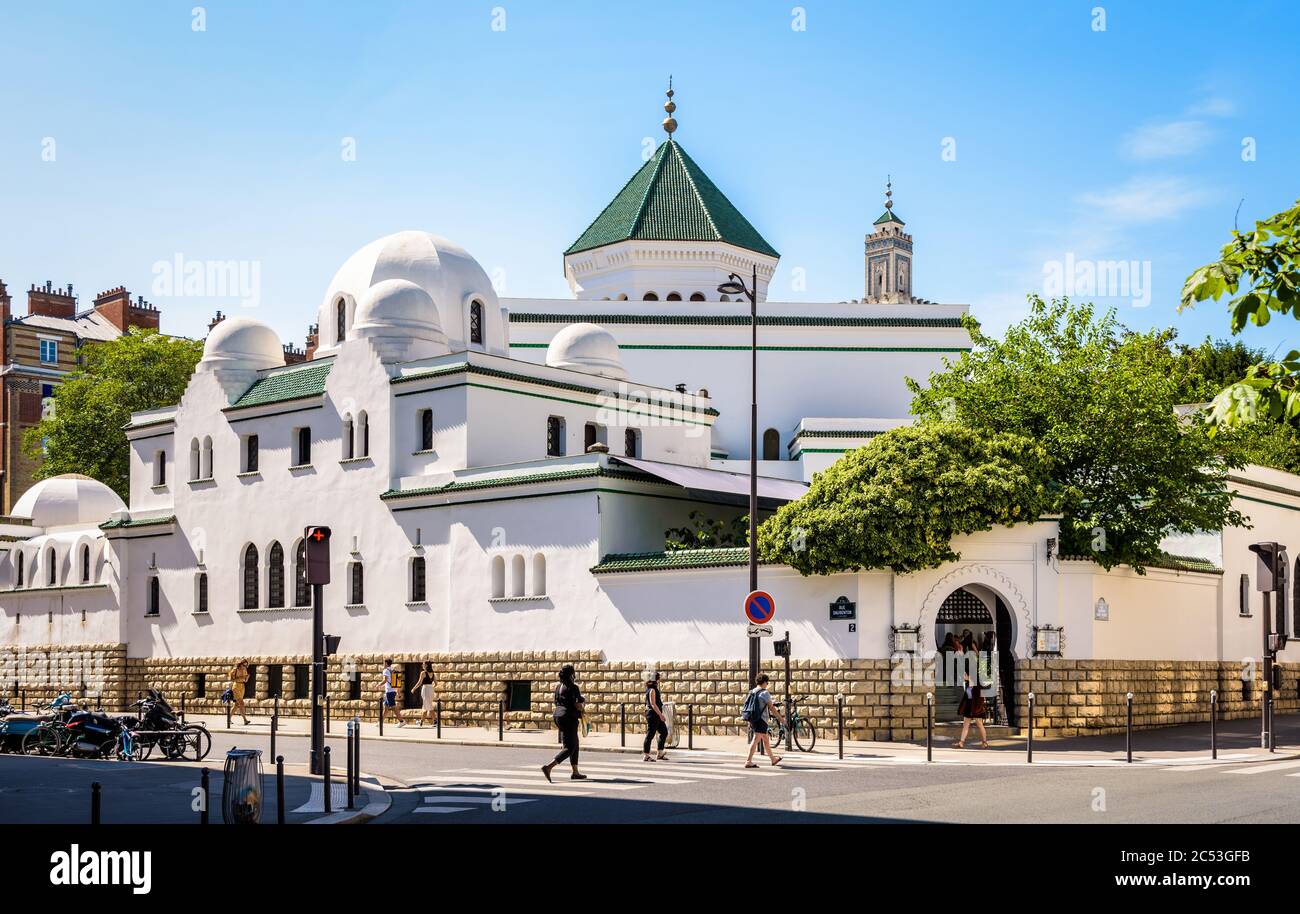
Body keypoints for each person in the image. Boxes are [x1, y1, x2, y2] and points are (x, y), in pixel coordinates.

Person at [542, 664, 586, 781]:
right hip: (568, 718)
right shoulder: (573, 687)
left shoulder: (558, 687)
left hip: (558, 716)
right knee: (569, 747)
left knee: (575, 744)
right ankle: (549, 767)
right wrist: (582, 707)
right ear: (571, 675)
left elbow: (557, 702)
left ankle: (575, 772)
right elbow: (577, 705)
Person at [742, 674, 783, 768]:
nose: (767, 684)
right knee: (756, 739)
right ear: (764, 682)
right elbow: (771, 708)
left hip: (753, 718)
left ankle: (773, 759)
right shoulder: (764, 693)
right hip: (761, 720)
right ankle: (748, 761)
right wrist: (781, 719)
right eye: (767, 683)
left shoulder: (752, 691)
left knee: (766, 740)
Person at [955, 668, 989, 749]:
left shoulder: (977, 686)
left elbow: (980, 699)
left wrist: (977, 709)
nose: (964, 676)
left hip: (976, 708)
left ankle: (984, 742)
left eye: (965, 674)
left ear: (969, 675)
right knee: (965, 725)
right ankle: (961, 742)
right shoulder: (967, 684)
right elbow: (966, 698)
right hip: (968, 708)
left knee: (980, 725)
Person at [642, 671, 669, 761]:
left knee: (664, 732)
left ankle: (660, 753)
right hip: (653, 715)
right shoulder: (652, 690)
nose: (659, 680)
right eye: (659, 678)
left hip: (655, 714)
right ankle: (646, 755)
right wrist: (661, 715)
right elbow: (653, 704)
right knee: (650, 735)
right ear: (656, 680)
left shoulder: (652, 688)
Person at [411, 662, 436, 728]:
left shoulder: (423, 673)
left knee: (427, 706)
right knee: (427, 705)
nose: (422, 665)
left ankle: (433, 721)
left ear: (426, 665)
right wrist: (431, 687)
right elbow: (436, 683)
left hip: (425, 689)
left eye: (423, 664)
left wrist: (413, 688)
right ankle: (422, 722)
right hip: (431, 689)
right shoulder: (432, 673)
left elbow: (419, 683)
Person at [381, 658, 405, 727]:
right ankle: (380, 722)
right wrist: (398, 692)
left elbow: (385, 680)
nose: (383, 664)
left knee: (393, 707)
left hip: (389, 692)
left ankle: (402, 721)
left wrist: (378, 685)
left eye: (383, 663)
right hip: (393, 691)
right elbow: (397, 682)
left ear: (386, 663)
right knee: (386, 707)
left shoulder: (386, 670)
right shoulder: (393, 670)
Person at [229, 660, 251, 726]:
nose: (245, 667)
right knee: (241, 703)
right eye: (244, 665)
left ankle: (228, 718)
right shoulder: (235, 669)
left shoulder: (245, 670)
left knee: (236, 705)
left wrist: (247, 678)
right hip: (236, 686)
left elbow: (245, 681)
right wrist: (240, 677)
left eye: (246, 665)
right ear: (240, 664)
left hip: (242, 686)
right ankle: (245, 720)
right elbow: (231, 678)